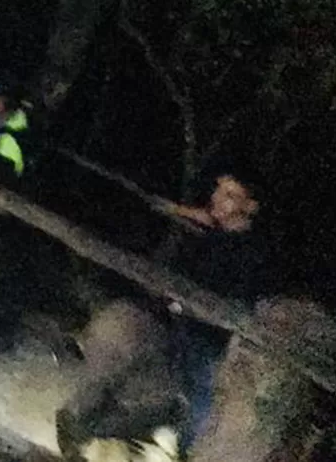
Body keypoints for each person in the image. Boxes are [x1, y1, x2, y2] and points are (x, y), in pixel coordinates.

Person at [55, 166, 275, 459]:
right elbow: (205, 220)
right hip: (177, 327)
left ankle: (182, 450)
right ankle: (86, 426)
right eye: (219, 190)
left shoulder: (252, 255)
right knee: (127, 362)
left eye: (231, 195)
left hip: (207, 344)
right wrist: (176, 209)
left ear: (251, 206)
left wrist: (185, 307)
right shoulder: (216, 232)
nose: (217, 199)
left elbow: (235, 303)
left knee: (190, 404)